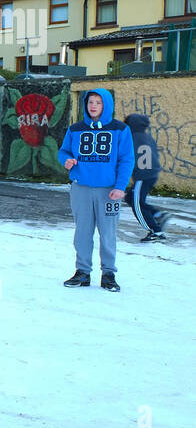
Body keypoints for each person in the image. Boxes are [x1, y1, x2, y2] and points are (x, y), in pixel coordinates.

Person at [58, 89, 133, 292]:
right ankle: (82, 272)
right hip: (81, 188)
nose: (93, 106)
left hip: (109, 191)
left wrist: (120, 187)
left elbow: (126, 160)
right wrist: (66, 160)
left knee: (107, 233)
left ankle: (108, 274)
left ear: (106, 105)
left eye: (98, 103)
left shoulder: (120, 129)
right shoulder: (75, 129)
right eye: (90, 102)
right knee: (82, 232)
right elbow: (63, 150)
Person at [123, 113, 170, 243]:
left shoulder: (131, 138)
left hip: (142, 176)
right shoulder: (148, 137)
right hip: (151, 174)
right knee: (130, 198)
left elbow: (127, 157)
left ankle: (156, 231)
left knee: (136, 204)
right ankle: (158, 214)